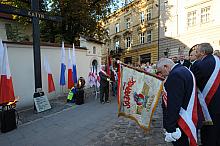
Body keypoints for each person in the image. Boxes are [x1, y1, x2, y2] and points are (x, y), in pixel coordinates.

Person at [157, 58, 198, 146]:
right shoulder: (184, 69)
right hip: (188, 113)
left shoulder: (175, 75)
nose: (161, 74)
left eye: (160, 71)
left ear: (166, 67)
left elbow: (173, 103)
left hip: (181, 119)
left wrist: (170, 127)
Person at [191, 43, 220, 146]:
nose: (196, 53)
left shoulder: (198, 65)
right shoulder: (218, 60)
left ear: (203, 52)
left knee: (208, 130)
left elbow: (192, 84)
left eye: (197, 51)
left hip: (209, 103)